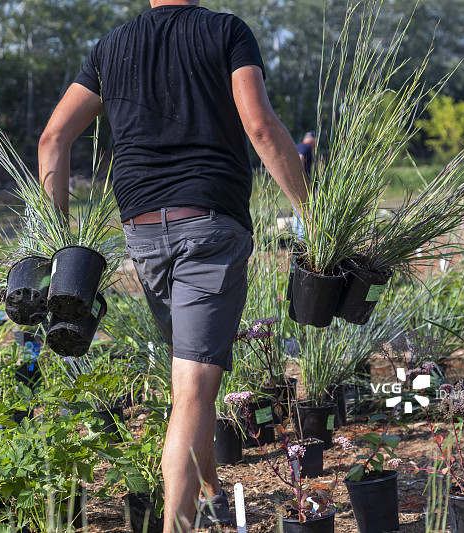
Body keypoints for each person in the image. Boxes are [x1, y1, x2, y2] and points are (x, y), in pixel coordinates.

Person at [37, 1, 307, 531]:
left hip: (142, 231)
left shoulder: (110, 46)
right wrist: (314, 213)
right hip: (208, 226)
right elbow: (259, 125)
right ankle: (177, 526)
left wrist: (60, 242)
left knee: (190, 378)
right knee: (193, 390)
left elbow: (52, 138)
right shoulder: (226, 31)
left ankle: (210, 495)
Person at [292, 130, 316, 240]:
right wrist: (302, 180)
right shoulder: (306, 148)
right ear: (313, 139)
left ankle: (297, 239)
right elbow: (300, 159)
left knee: (297, 210)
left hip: (293, 186)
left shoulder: (297, 146)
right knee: (304, 212)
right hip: (302, 186)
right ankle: (302, 239)